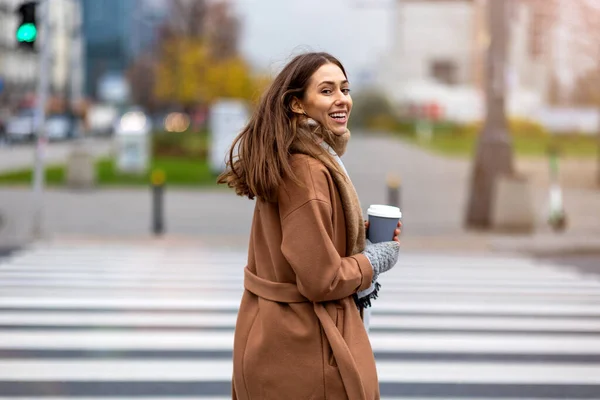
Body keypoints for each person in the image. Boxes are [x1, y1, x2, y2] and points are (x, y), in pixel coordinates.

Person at [218, 52, 401, 400]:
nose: (342, 99)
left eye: (344, 89)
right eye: (327, 90)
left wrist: (354, 234)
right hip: (304, 349)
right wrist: (374, 260)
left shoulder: (291, 155)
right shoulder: (308, 170)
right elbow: (321, 279)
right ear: (298, 105)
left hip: (272, 339)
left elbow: (300, 238)